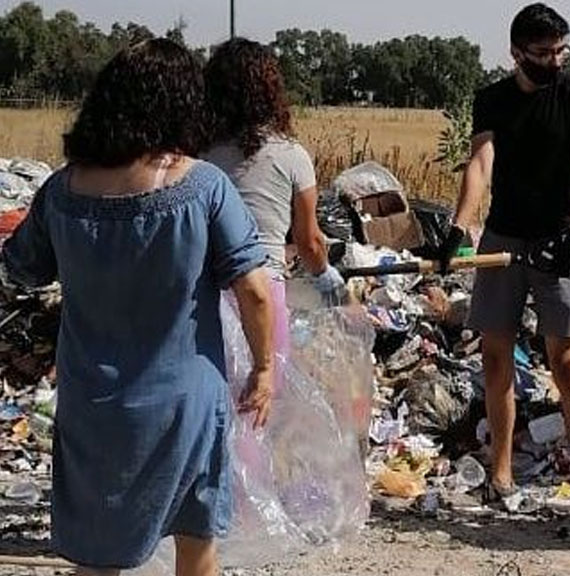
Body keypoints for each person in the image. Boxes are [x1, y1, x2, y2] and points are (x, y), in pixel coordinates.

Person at [1, 39, 273, 576]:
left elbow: (20, 270)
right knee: (197, 545)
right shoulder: (205, 188)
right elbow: (256, 289)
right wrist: (263, 368)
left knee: (98, 558)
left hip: (93, 408)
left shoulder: (60, 191)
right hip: (186, 404)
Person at [438, 2, 570, 538]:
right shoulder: (493, 98)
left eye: (560, 51)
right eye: (541, 54)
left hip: (560, 235)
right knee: (494, 354)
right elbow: (481, 162)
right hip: (505, 237)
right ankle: (501, 474)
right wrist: (460, 226)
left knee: (566, 360)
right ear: (516, 53)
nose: (553, 62)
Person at [203, 37, 342, 321]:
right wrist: (327, 277)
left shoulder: (197, 154)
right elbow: (310, 242)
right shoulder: (292, 155)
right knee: (268, 365)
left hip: (206, 294)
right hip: (264, 291)